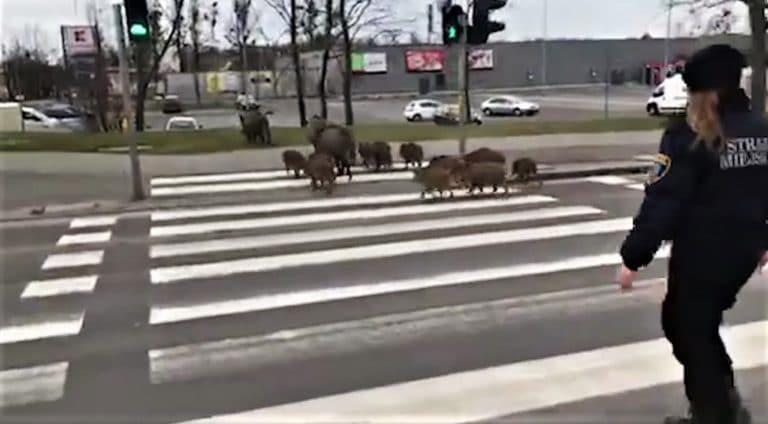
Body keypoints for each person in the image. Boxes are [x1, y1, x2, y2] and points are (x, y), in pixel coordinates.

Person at [616, 44, 768, 424]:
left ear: (704, 92)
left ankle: (715, 412)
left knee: (688, 327)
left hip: (703, 252)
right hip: (743, 251)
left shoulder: (690, 135)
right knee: (697, 324)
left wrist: (633, 256)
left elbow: (665, 199)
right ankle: (720, 401)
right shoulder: (760, 130)